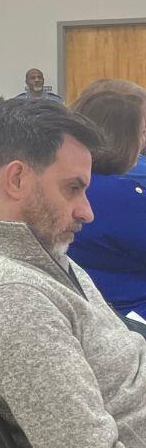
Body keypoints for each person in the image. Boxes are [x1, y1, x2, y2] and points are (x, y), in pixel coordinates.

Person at [0, 98, 146, 448]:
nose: (87, 211)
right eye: (73, 188)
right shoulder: (11, 300)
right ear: (17, 179)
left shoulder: (43, 256)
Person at [66, 88, 146, 322]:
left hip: (92, 310)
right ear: (123, 138)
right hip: (129, 315)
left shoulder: (61, 185)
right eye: (141, 133)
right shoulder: (124, 195)